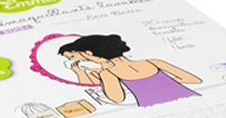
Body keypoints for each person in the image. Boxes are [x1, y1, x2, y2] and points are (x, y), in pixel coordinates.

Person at [58, 34, 202, 107]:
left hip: (151, 109)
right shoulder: (152, 62)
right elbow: (194, 79)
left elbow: (117, 98)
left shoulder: (108, 73)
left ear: (88, 53)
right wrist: (166, 85)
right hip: (192, 100)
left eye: (79, 55)